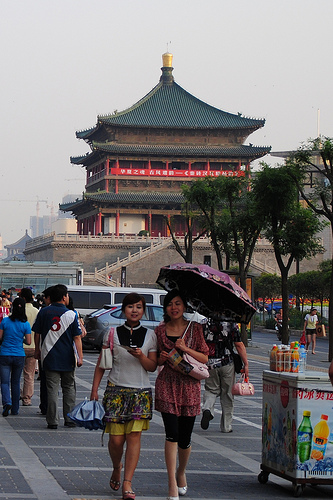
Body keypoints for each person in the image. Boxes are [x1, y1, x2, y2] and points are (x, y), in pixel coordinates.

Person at [90, 292, 157, 500]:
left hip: (140, 393)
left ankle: (127, 482)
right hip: (116, 391)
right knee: (116, 441)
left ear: (143, 311)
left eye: (138, 307)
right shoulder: (111, 334)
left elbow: (152, 367)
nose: (134, 310)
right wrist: (94, 390)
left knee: (134, 436)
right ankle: (116, 466)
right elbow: (102, 364)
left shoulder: (150, 335)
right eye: (130, 307)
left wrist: (141, 356)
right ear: (123, 310)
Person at [155, 289, 208, 500]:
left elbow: (204, 357)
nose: (174, 307)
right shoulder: (159, 331)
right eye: (170, 304)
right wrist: (161, 358)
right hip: (167, 383)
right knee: (172, 434)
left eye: (177, 303)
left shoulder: (195, 329)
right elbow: (156, 362)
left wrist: (186, 348)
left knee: (185, 437)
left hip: (189, 387)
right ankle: (171, 483)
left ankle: (181, 472)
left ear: (184, 306)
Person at [33, 284, 83, 429]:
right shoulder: (71, 314)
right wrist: (80, 357)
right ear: (63, 297)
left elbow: (37, 333)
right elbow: (77, 337)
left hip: (49, 356)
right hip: (67, 358)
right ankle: (70, 419)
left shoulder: (43, 312)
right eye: (67, 295)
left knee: (52, 389)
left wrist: (37, 350)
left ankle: (53, 421)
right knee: (69, 388)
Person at [200, 319, 249, 433]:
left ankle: (207, 409)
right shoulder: (231, 323)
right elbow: (238, 345)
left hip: (210, 363)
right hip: (227, 363)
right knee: (227, 394)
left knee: (211, 390)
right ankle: (226, 426)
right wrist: (245, 363)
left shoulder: (204, 323)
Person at [0, 297, 31, 416]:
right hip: (19, 355)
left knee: (4, 382)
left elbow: (0, 337)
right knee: (16, 382)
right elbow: (28, 341)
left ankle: (6, 402)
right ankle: (15, 409)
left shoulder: (5, 321)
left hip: (5, 354)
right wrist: (20, 339)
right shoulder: (25, 324)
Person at [19, 288, 39, 406]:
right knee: (29, 374)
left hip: (19, 347)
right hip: (33, 346)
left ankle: (17, 394)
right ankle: (27, 399)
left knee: (15, 374)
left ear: (23, 298)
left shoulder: (19, 310)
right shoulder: (36, 311)